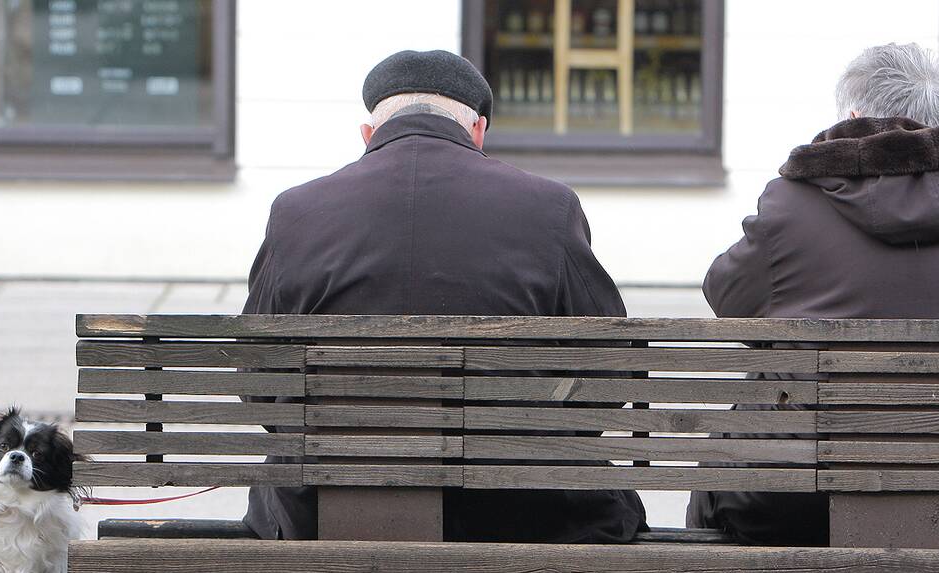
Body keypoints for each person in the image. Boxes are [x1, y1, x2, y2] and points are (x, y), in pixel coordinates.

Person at [241, 49, 647, 543]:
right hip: (523, 516)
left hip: (323, 515)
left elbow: (259, 383)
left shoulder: (296, 212)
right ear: (477, 131)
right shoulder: (549, 207)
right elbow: (610, 374)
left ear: (368, 134)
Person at [687, 43, 939, 545]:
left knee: (728, 456)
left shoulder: (793, 201)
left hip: (792, 492)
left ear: (851, 117)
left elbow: (726, 296)